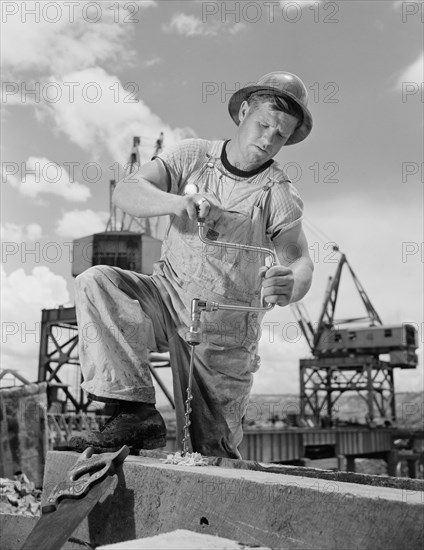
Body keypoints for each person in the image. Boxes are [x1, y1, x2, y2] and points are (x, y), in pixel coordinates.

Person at [68, 71, 314, 458]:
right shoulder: (191, 156)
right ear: (244, 111)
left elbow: (298, 259)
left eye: (280, 134)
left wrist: (291, 283)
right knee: (98, 281)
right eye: (264, 124)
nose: (268, 140)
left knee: (210, 451)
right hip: (165, 299)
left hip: (224, 334)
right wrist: (174, 203)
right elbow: (129, 191)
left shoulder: (278, 193)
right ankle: (133, 412)